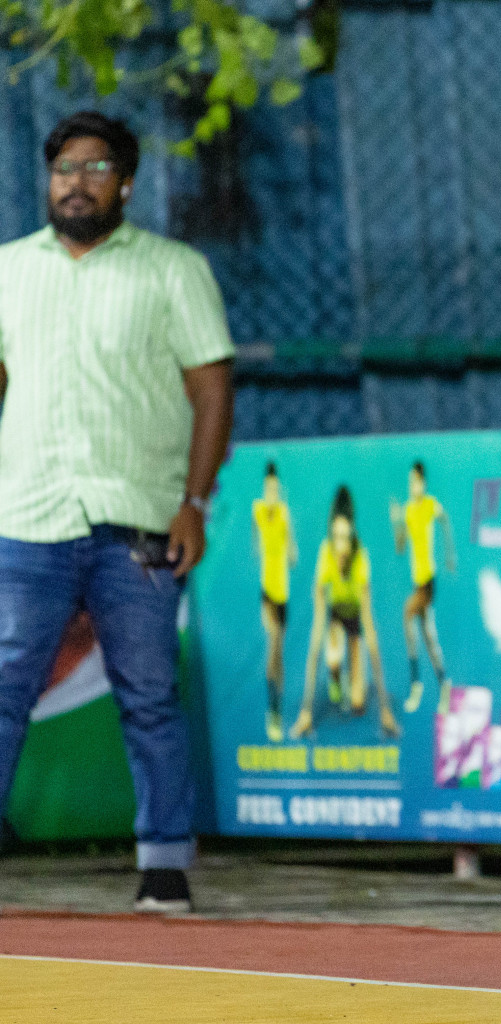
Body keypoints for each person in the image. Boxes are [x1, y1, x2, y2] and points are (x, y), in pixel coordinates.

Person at [0, 111, 235, 913]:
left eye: (95, 168)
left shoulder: (173, 270)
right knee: (2, 686)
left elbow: (211, 390)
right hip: (27, 516)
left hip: (136, 518)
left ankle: (164, 864)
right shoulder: (8, 270)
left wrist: (194, 503)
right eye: (63, 168)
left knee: (148, 693)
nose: (76, 182)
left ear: (126, 183)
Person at [291, 486, 400, 740]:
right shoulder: (325, 554)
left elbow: (370, 632)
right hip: (334, 617)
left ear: (352, 536)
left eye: (345, 538)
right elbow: (315, 635)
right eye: (336, 537)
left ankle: (352, 683)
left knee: (358, 703)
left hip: (355, 621)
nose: (341, 546)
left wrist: (385, 710)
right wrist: (305, 713)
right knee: (329, 657)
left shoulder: (362, 559)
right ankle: (335, 675)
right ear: (331, 535)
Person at [389, 461, 455, 715]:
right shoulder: (407, 510)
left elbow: (445, 521)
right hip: (417, 580)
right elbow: (400, 546)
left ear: (423, 483)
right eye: (410, 482)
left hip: (428, 580)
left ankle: (416, 685)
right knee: (429, 639)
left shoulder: (430, 504)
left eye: (416, 482)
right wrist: (396, 522)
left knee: (408, 615)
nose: (412, 486)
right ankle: (444, 685)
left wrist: (449, 555)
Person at [253, 462, 298, 742]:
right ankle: (273, 712)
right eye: (269, 488)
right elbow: (257, 539)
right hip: (267, 593)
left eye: (276, 488)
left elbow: (292, 551)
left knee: (278, 656)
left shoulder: (284, 512)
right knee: (273, 647)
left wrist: (289, 551)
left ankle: (277, 708)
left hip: (284, 594)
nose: (273, 492)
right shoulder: (258, 510)